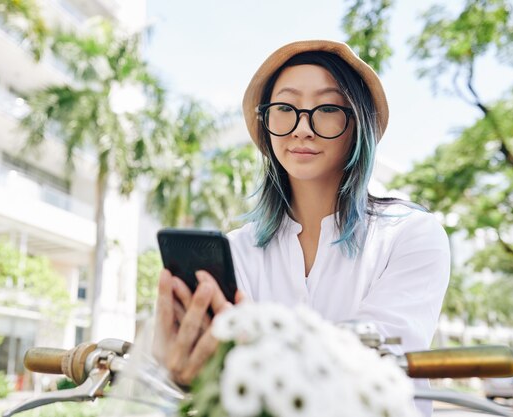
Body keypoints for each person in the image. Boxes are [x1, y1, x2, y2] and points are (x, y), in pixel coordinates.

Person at [154, 40, 450, 417]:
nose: (302, 128)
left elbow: (381, 359)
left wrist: (241, 350)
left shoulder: (412, 235)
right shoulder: (238, 250)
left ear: (358, 122)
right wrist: (185, 369)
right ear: (266, 122)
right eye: (284, 108)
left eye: (327, 108)